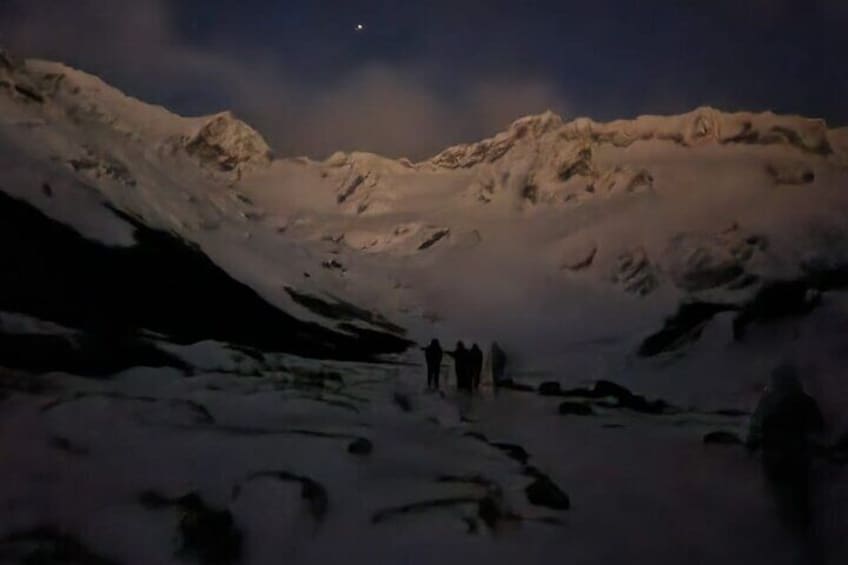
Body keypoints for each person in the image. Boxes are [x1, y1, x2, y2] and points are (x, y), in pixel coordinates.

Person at [747, 363, 824, 533]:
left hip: (776, 459)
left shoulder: (768, 401)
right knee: (800, 501)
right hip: (796, 458)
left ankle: (789, 534)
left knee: (783, 499)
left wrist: (751, 445)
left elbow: (756, 426)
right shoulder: (804, 400)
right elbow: (819, 429)